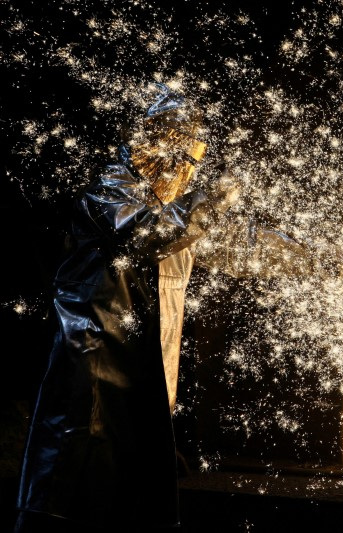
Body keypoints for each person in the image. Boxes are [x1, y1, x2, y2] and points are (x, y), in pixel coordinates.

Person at [14, 84, 237, 532]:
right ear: (152, 145)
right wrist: (210, 204)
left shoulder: (177, 213)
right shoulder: (107, 197)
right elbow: (146, 236)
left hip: (139, 397)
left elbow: (244, 245)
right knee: (67, 507)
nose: (188, 171)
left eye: (194, 161)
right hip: (90, 393)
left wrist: (337, 268)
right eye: (183, 157)